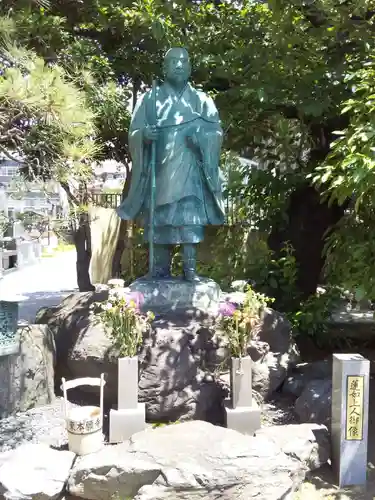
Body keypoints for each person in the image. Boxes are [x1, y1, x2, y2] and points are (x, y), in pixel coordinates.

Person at [117, 47, 225, 281]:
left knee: (189, 217)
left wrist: (203, 139)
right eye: (173, 62)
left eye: (183, 61)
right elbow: (134, 131)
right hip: (161, 172)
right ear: (164, 68)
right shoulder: (151, 99)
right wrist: (144, 135)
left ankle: (190, 269)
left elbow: (216, 131)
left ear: (190, 67)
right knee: (160, 219)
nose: (178, 65)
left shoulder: (202, 100)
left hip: (190, 172)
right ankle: (159, 269)